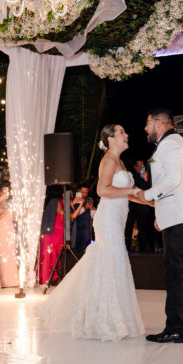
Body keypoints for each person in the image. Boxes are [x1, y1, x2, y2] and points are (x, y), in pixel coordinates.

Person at [39, 124, 148, 341]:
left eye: (125, 131)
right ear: (110, 139)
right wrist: (133, 189)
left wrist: (148, 201)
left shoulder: (120, 162)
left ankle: (109, 316)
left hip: (118, 218)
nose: (126, 135)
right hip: (108, 219)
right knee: (113, 262)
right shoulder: (108, 160)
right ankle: (106, 320)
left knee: (111, 263)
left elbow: (123, 193)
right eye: (121, 132)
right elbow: (102, 190)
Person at [135, 108, 183, 343]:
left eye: (147, 123)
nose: (145, 128)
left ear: (159, 123)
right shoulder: (173, 143)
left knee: (175, 272)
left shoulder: (171, 144)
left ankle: (175, 328)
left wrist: (147, 195)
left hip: (182, 217)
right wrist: (161, 214)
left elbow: (172, 180)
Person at [125, 159, 154, 252]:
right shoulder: (130, 175)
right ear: (134, 166)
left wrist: (146, 179)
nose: (141, 167)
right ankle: (127, 247)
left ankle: (142, 248)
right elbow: (129, 189)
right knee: (129, 225)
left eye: (143, 166)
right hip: (131, 204)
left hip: (142, 204)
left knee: (142, 226)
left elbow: (148, 188)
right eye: (139, 165)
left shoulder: (145, 175)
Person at [0, 183, 18, 287]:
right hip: (0, 231)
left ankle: (11, 281)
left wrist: (23, 214)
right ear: (0, 192)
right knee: (0, 256)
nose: (6, 193)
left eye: (8, 191)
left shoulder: (10, 204)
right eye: (4, 190)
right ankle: (1, 281)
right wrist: (7, 211)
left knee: (10, 256)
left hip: (10, 231)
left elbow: (14, 218)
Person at [38, 195, 64, 285]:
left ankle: (53, 278)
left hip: (56, 233)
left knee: (54, 256)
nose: (70, 196)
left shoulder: (60, 203)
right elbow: (61, 212)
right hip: (52, 234)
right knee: (50, 256)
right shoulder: (56, 201)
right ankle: (46, 278)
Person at [70, 185, 93, 255]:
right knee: (76, 252)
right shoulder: (73, 201)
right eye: (83, 192)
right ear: (78, 191)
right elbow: (73, 215)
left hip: (87, 230)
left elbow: (93, 215)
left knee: (86, 252)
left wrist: (92, 209)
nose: (84, 194)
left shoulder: (88, 200)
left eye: (86, 193)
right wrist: (84, 208)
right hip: (77, 230)